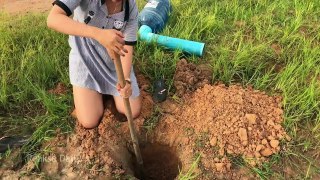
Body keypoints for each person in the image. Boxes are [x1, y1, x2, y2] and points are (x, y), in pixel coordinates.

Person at [47, 0, 141, 129]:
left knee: (133, 111)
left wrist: (125, 79)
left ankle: (107, 95)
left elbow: (127, 47)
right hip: (85, 59)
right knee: (89, 121)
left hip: (113, 63)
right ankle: (89, 96)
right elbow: (53, 18)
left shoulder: (131, 7)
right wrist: (98, 34)